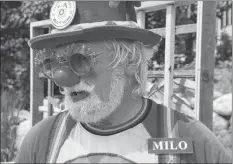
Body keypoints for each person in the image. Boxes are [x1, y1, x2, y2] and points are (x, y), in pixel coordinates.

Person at [16, 1, 232, 163]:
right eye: (54, 63)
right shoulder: (41, 141)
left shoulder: (186, 139)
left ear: (129, 60)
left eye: (80, 59)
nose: (64, 79)